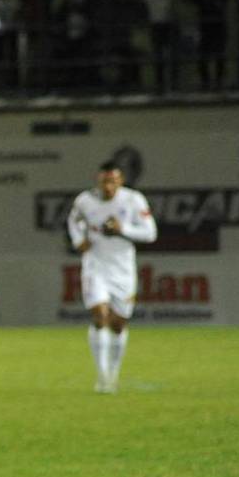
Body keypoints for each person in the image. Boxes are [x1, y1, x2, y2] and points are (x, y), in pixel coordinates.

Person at [66, 161, 158, 393]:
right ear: (98, 180)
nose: (108, 186)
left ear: (121, 181)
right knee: (99, 315)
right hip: (95, 265)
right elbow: (73, 220)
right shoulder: (85, 201)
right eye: (104, 181)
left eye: (113, 181)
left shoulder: (134, 200)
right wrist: (78, 240)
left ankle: (114, 374)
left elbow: (150, 233)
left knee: (118, 325)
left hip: (123, 269)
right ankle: (102, 376)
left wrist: (122, 230)